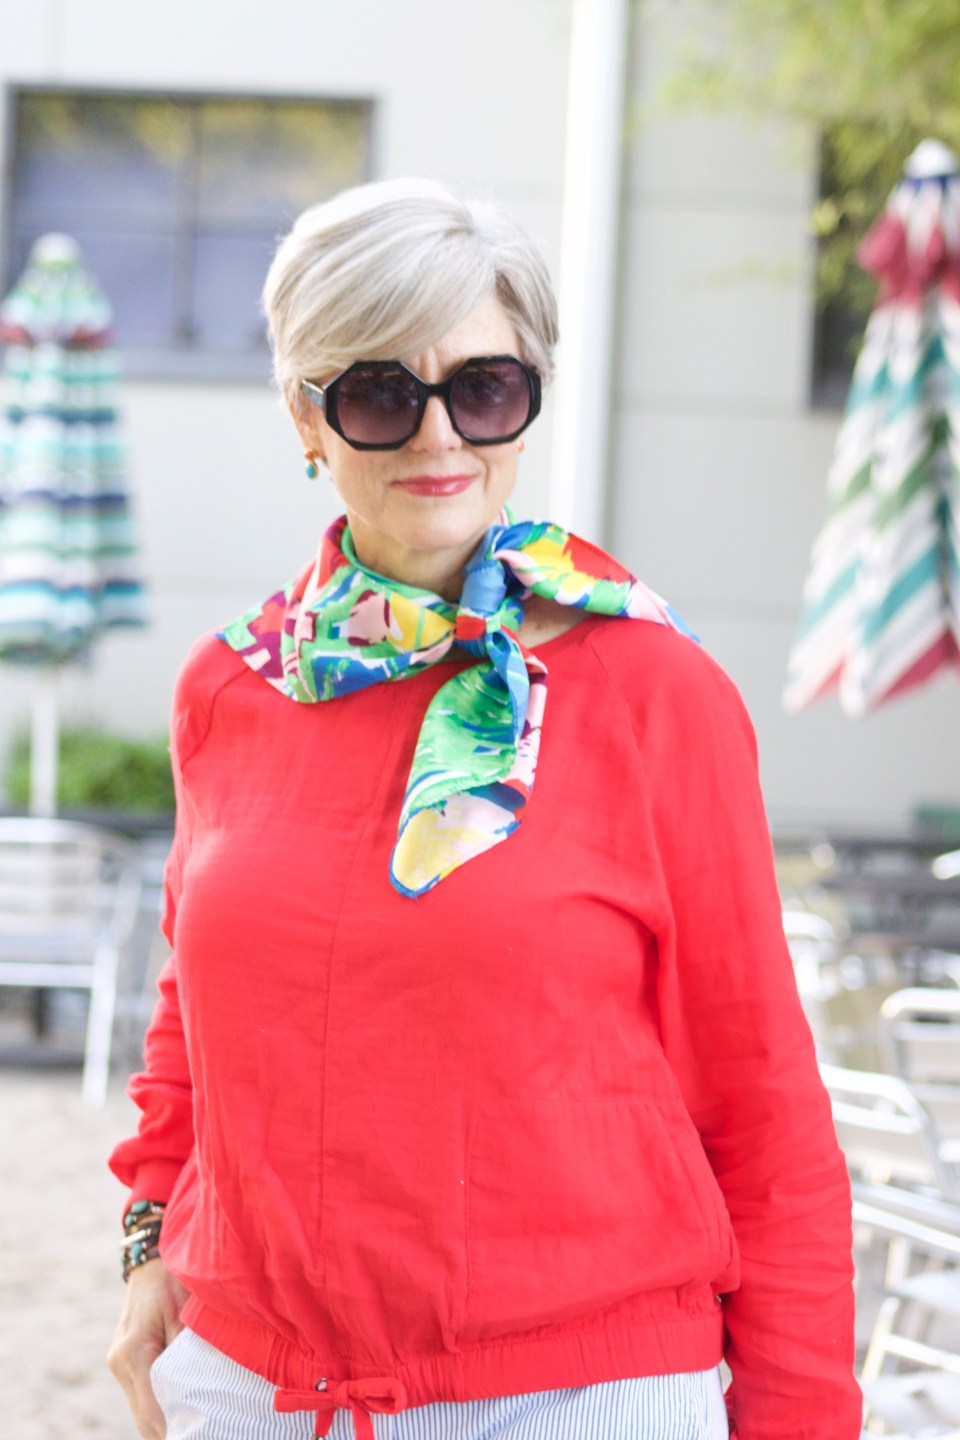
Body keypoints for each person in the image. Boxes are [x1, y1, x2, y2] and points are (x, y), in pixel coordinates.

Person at [108, 177, 860, 1440]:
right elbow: (195, 1017)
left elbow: (764, 1107)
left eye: (485, 387)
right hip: (250, 1388)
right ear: (306, 415)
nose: (439, 437)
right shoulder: (231, 686)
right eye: (380, 393)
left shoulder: (655, 694)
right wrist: (148, 1244)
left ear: (529, 397)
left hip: (578, 1397)